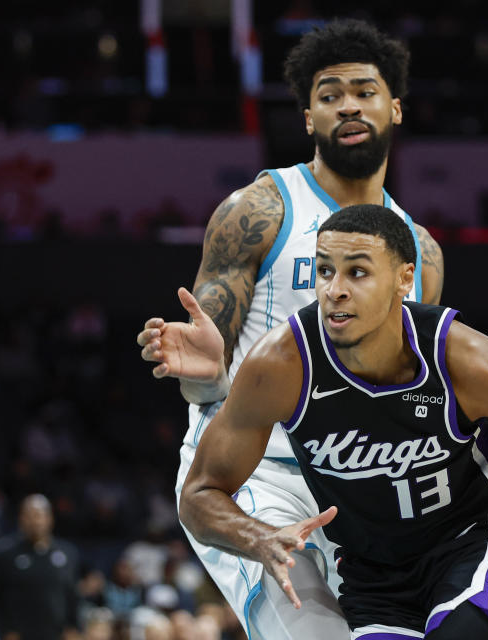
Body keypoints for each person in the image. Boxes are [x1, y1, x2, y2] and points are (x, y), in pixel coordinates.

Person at [170, 205, 488, 639]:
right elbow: (199, 495)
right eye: (325, 271)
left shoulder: (472, 364)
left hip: (476, 541)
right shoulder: (279, 366)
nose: (335, 289)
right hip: (373, 573)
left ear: (404, 278)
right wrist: (256, 536)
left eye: (357, 271)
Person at [136, 18, 444, 640]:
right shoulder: (260, 209)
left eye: (365, 90)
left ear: (396, 108)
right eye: (329, 95)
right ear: (309, 119)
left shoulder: (422, 255)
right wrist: (204, 379)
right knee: (312, 632)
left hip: (353, 479)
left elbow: (411, 392)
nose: (349, 105)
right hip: (250, 472)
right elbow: (207, 373)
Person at [0, 494, 80, 640]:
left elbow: (72, 595)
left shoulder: (68, 553)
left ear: (50, 519)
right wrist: (5, 629)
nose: (35, 521)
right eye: (29, 515)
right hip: (18, 635)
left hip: (57, 634)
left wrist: (73, 627)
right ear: (21, 519)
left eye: (39, 515)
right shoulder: (4, 553)